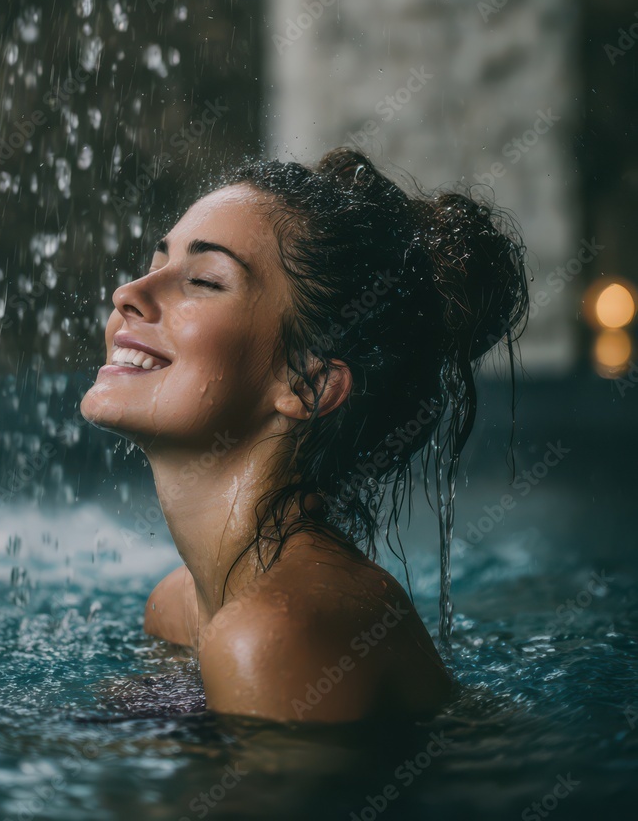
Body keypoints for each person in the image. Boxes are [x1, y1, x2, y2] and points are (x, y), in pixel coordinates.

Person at [79, 147, 529, 723]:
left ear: (309, 384)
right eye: (155, 261)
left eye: (202, 280)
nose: (129, 293)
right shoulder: (180, 608)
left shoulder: (276, 634)